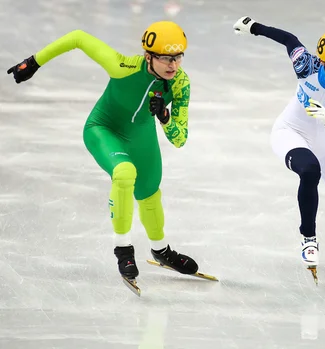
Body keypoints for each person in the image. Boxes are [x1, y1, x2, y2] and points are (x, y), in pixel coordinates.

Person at [7, 21, 200, 281]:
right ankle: (123, 249)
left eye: (177, 58)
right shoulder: (122, 65)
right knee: (124, 173)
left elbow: (180, 139)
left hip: (140, 137)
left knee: (149, 193)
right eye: (166, 58)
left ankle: (161, 251)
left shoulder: (180, 82)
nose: (173, 65)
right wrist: (33, 62)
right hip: (103, 129)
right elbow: (78, 37)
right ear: (148, 56)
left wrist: (165, 117)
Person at [233, 16, 325, 269]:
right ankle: (308, 239)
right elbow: (289, 40)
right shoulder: (307, 65)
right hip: (291, 133)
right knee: (309, 170)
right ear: (323, 62)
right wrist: (253, 27)